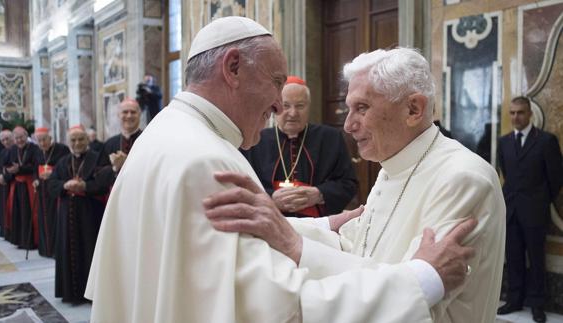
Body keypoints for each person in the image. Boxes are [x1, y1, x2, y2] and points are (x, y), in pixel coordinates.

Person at [86, 17, 476, 323]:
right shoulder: (207, 158)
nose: (278, 105)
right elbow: (284, 308)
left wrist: (321, 225)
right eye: (275, 82)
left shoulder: (164, 132)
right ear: (233, 67)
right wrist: (423, 279)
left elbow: (229, 246)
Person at [204, 47, 506, 323]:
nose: (348, 125)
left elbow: (419, 303)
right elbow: (358, 249)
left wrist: (292, 243)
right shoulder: (393, 164)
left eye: (362, 108)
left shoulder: (462, 179)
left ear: (413, 109)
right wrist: (286, 230)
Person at [242, 76, 358, 218]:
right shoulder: (255, 140)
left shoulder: (330, 138)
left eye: (300, 106)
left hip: (319, 223)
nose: (293, 113)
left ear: (308, 106)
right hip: (269, 220)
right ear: (275, 107)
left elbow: (349, 184)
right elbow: (242, 185)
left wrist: (319, 194)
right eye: (286, 106)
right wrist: (270, 198)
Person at [497, 96, 562, 323]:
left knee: (536, 260)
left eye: (520, 113)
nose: (516, 117)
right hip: (512, 211)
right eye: (512, 113)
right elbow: (506, 173)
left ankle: (537, 305)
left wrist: (540, 200)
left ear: (530, 114)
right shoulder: (504, 142)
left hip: (535, 212)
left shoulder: (546, 141)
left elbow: (555, 179)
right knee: (513, 258)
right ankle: (514, 300)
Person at [48, 125, 109, 304]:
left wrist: (85, 187)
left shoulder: (97, 158)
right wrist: (64, 186)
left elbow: (104, 181)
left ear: (87, 140)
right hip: (67, 216)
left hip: (90, 215)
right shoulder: (62, 161)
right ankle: (71, 293)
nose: (77, 143)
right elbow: (52, 184)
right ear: (68, 143)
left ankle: (90, 294)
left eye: (81, 139)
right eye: (73, 140)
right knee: (69, 251)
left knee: (89, 249)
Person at [32, 127, 70, 257]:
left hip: (56, 190)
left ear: (50, 138)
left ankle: (55, 250)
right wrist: (36, 180)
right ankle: (45, 249)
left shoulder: (62, 149)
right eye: (39, 141)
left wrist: (52, 172)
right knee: (44, 220)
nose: (42, 143)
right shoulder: (38, 152)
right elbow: (34, 169)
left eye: (44, 140)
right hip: (42, 191)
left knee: (55, 219)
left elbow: (66, 167)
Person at [4, 126, 40, 248]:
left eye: (21, 137)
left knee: (28, 213)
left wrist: (20, 168)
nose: (19, 140)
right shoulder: (12, 149)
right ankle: (19, 240)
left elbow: (36, 166)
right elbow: (6, 163)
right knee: (17, 213)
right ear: (14, 139)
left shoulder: (34, 148)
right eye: (17, 138)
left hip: (29, 184)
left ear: (26, 136)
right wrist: (9, 170)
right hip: (16, 185)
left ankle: (30, 242)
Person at [98, 98, 142, 185]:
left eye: (133, 112)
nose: (129, 116)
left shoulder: (147, 140)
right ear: (118, 115)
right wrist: (115, 168)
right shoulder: (110, 143)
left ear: (139, 115)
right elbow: (99, 176)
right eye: (125, 112)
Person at [0, 129, 14, 237]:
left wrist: (5, 177)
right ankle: (4, 231)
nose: (5, 142)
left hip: (12, 183)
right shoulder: (3, 151)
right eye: (3, 140)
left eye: (7, 139)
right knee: (3, 208)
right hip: (3, 183)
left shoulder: (16, 150)